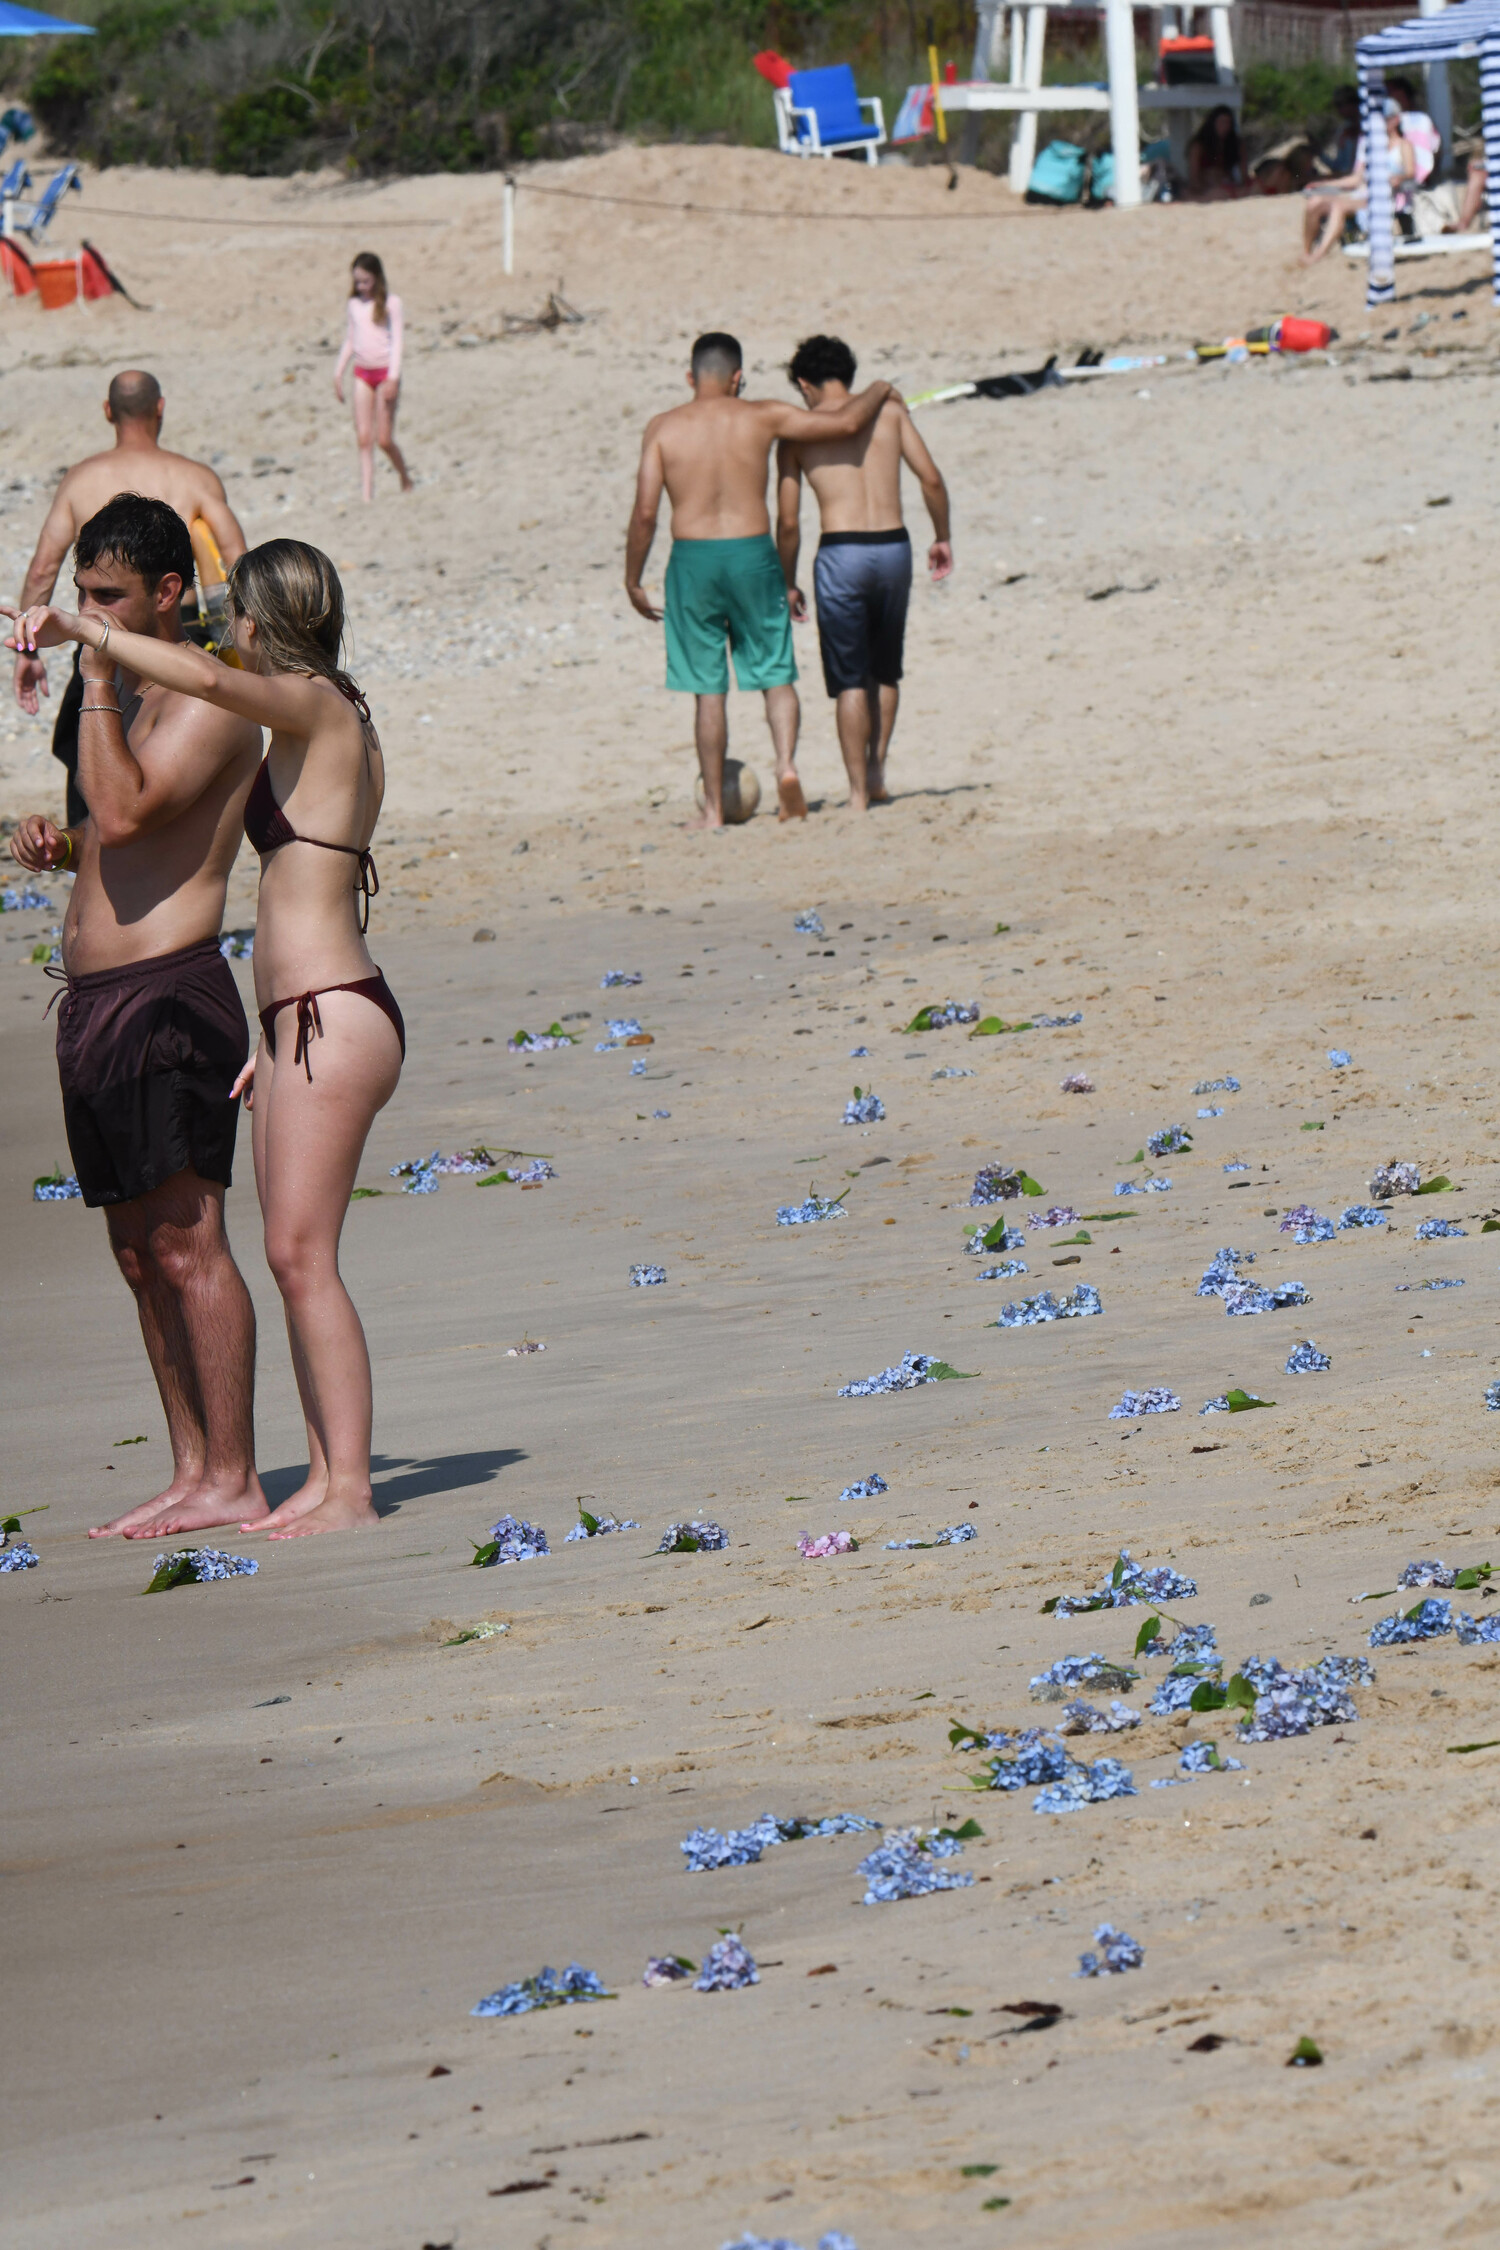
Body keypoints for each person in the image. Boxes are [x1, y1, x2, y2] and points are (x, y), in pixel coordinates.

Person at [9, 539, 405, 1542]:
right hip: (292, 1023)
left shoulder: (316, 703)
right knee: (288, 1254)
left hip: (329, 1012)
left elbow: (192, 673)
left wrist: (86, 634)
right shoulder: (319, 717)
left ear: (265, 623)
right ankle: (322, 1477)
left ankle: (348, 1488)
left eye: (237, 621)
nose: (224, 638)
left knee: (302, 1256)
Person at [5, 495, 267, 1540]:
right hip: (98, 1003)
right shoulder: (113, 688)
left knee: (189, 1244)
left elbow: (126, 810)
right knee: (133, 1253)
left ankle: (237, 1472)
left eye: (108, 598)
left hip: (168, 995)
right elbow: (106, 831)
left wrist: (99, 667)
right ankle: (192, 1467)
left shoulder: (214, 696)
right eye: (81, 598)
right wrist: (52, 846)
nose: (87, 615)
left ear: (167, 595)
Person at [625, 330, 896, 828]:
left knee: (708, 689)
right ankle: (787, 764)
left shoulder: (663, 428)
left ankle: (712, 811)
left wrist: (634, 579)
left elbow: (645, 513)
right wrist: (880, 386)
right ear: (737, 377)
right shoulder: (763, 415)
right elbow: (846, 421)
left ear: (690, 377)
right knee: (775, 673)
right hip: (754, 553)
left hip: (693, 558)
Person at [11, 369, 246, 827]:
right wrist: (241, 649)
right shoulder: (196, 478)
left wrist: (29, 645)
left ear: (107, 411)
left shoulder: (82, 479)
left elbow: (43, 567)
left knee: (92, 752)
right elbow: (238, 560)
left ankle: (86, 843)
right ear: (160, 408)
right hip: (182, 633)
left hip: (100, 630)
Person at [775, 335, 951, 815]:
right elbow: (930, 478)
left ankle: (855, 794)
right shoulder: (890, 413)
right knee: (885, 667)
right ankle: (877, 774)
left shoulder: (798, 433)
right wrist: (942, 536)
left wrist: (787, 581)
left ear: (805, 384)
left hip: (841, 552)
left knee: (850, 679)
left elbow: (788, 522)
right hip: (893, 546)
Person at [334, 252, 413, 502]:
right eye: (357, 281)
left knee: (384, 439)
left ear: (377, 278)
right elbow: (351, 339)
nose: (361, 287)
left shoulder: (392, 303)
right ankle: (367, 495)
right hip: (362, 373)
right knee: (364, 437)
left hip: (385, 373)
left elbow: (398, 341)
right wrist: (338, 372)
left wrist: (393, 377)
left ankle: (405, 476)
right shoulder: (354, 305)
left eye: (365, 281)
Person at [1302, 99, 1416, 264]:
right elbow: (1356, 178)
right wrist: (1324, 185)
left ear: (1395, 119)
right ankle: (1306, 251)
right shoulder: (1368, 145)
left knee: (1339, 206)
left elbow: (1410, 172)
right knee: (1314, 201)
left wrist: (1398, 178)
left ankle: (1318, 254)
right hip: (1363, 193)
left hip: (1385, 196)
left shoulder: (1403, 145)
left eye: (1384, 119)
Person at [1187, 105, 1247, 200]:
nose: (1225, 126)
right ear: (1212, 123)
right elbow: (1194, 177)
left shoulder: (1236, 144)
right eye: (1221, 122)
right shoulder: (1199, 145)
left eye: (1228, 123)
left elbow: (1244, 174)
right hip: (1206, 189)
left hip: (1228, 186)